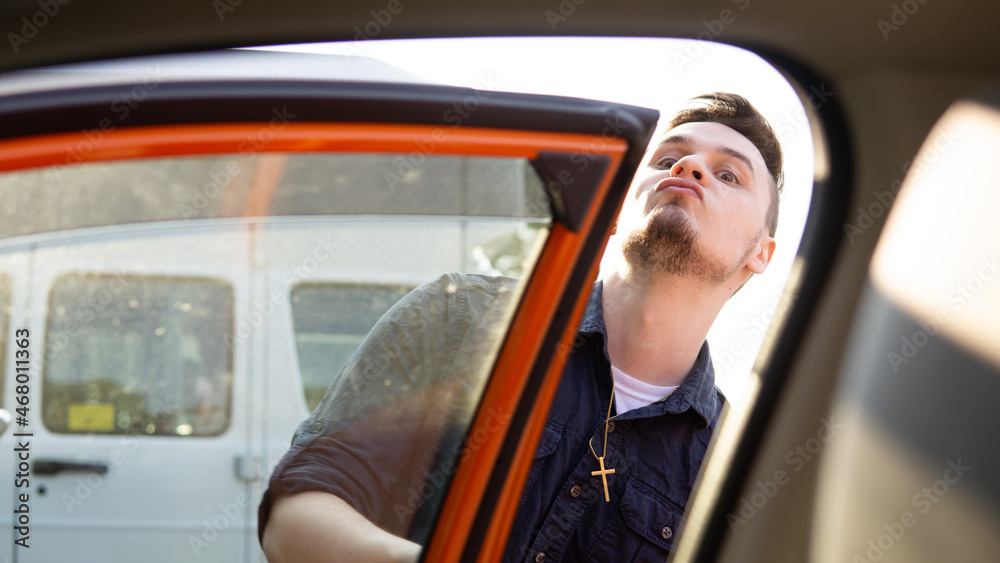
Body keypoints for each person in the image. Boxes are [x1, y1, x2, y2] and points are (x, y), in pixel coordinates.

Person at [259, 92, 783, 562]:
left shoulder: (735, 467)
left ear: (761, 253)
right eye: (667, 159)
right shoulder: (458, 316)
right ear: (617, 209)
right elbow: (295, 517)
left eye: (728, 175)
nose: (689, 167)